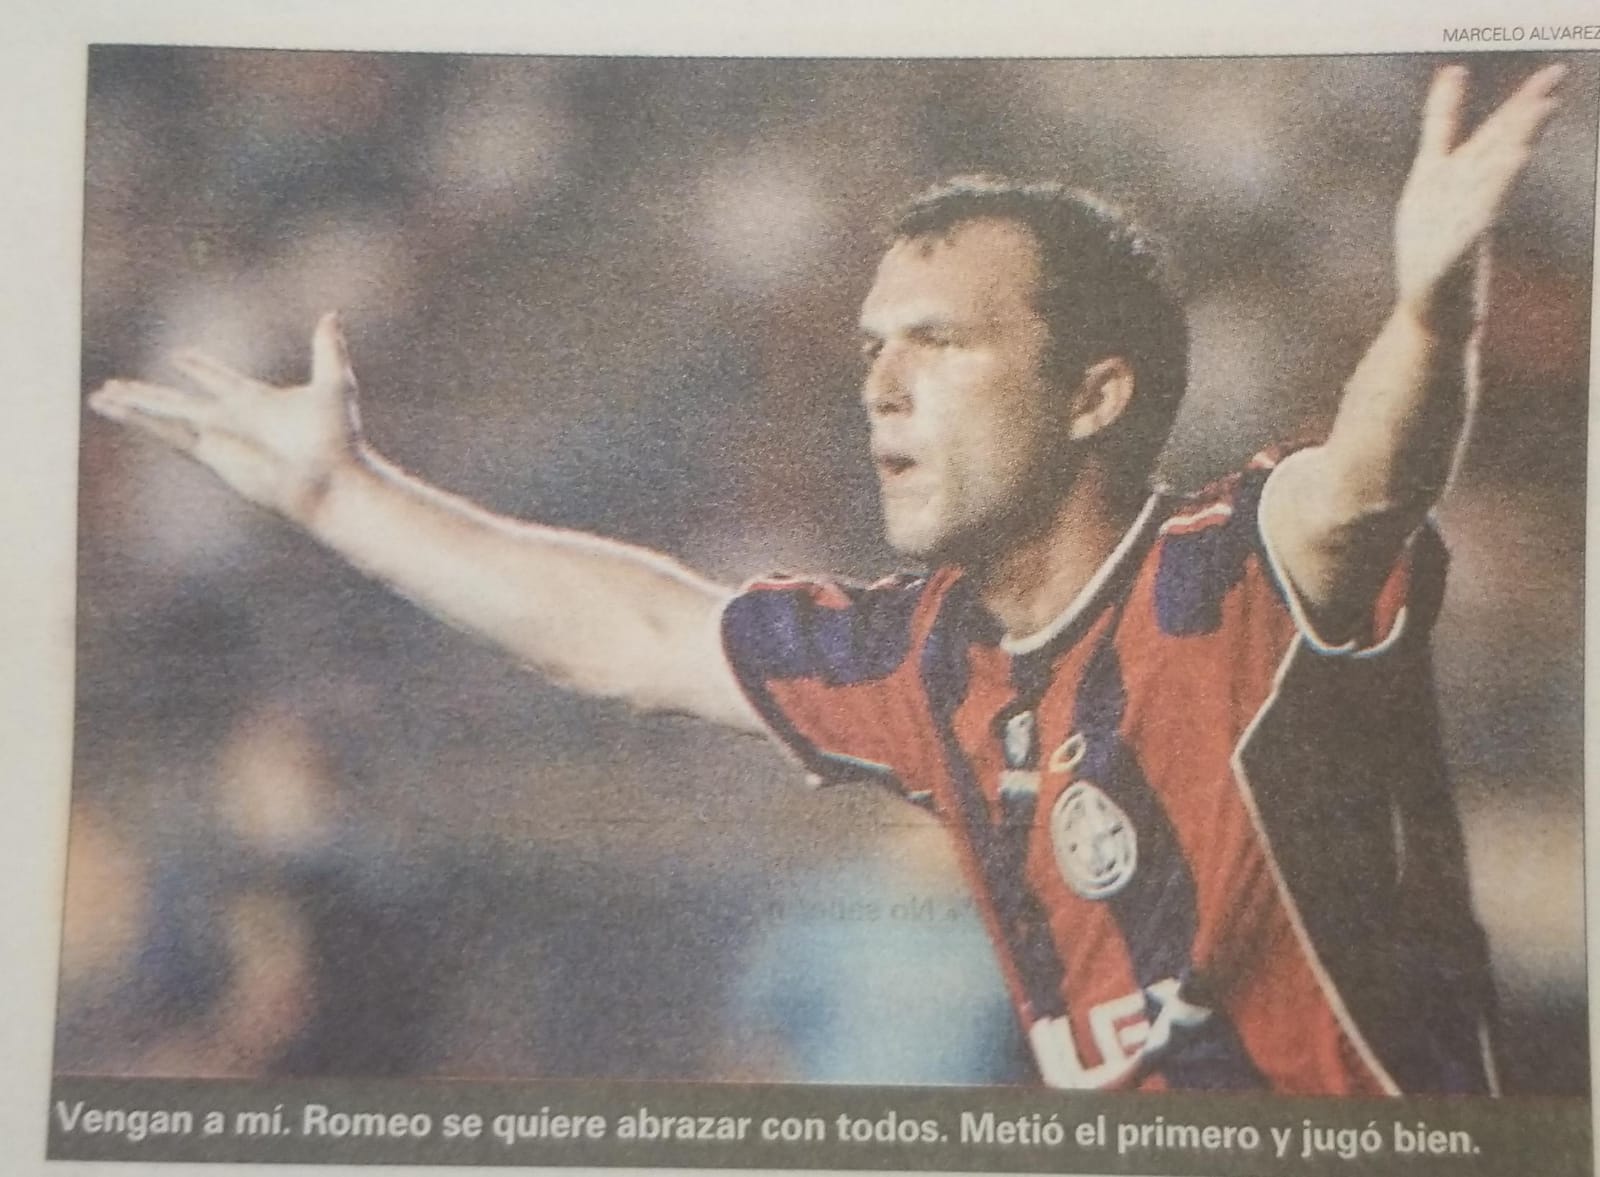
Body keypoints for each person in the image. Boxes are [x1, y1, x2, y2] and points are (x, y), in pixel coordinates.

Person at [89, 64, 1566, 1095]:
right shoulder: (917, 658)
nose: (882, 385)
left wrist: (1432, 311)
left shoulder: (1223, 571)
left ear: (1095, 394)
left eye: (940, 342)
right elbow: (636, 629)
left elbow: (1365, 483)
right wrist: (345, 496)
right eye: (874, 347)